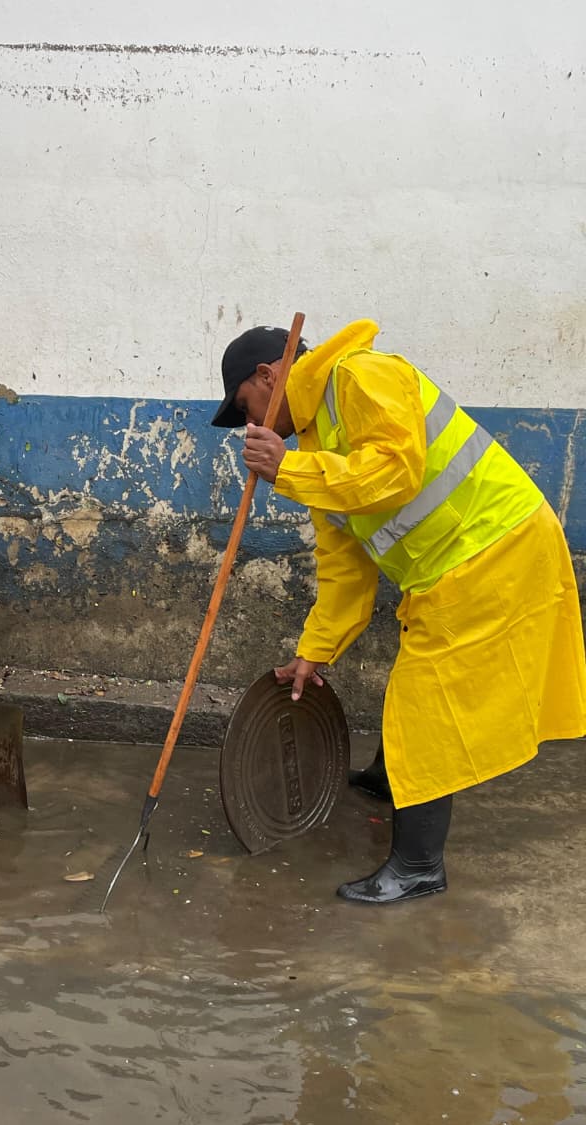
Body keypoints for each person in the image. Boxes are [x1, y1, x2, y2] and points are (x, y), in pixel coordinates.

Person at [213, 319, 586, 904]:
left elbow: (394, 471)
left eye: (248, 407)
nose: (253, 424)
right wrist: (315, 651)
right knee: (417, 688)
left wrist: (288, 470)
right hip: (456, 565)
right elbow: (346, 567)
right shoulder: (314, 447)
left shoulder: (361, 375)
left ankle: (418, 867)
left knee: (424, 703)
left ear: (269, 374)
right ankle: (396, 781)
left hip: (495, 547)